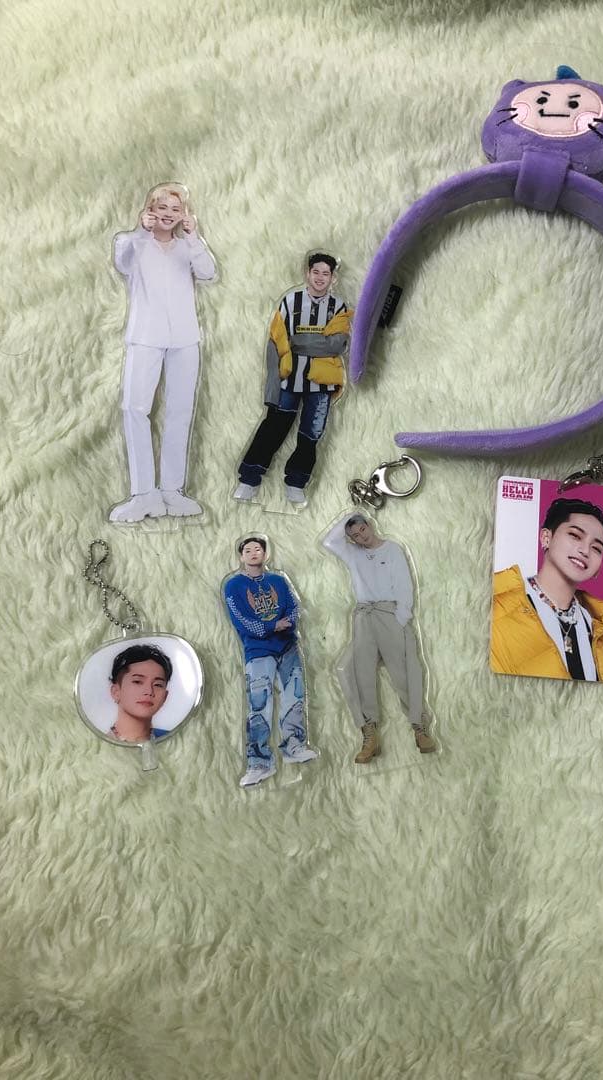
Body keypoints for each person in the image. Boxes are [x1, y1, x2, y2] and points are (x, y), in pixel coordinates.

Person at [110, 183, 217, 523]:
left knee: (180, 412)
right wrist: (141, 233)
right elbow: (124, 264)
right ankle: (143, 494)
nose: (169, 214)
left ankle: (172, 490)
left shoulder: (188, 247)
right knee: (134, 408)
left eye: (176, 209)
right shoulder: (131, 242)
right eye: (162, 207)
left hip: (185, 339)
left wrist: (194, 237)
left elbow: (208, 273)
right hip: (144, 337)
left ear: (184, 214)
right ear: (150, 210)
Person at [234, 252, 351, 505]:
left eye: (326, 273)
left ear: (333, 278)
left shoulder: (338, 307)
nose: (320, 277)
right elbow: (277, 341)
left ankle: (296, 482)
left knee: (311, 433)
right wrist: (272, 384)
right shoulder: (290, 301)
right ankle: (249, 478)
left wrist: (298, 342)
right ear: (307, 273)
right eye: (316, 272)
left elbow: (337, 345)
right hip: (289, 378)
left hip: (321, 383)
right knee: (273, 427)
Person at [322, 513, 436, 763]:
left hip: (390, 614)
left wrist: (401, 617)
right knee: (353, 670)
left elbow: (404, 584)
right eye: (354, 535)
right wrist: (350, 513)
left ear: (369, 525)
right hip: (363, 616)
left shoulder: (392, 549)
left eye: (362, 530)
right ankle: (369, 731)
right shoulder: (353, 554)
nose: (360, 537)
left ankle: (419, 726)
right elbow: (329, 542)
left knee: (404, 671)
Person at [223, 536, 317, 787]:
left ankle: (295, 746)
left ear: (265, 554)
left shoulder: (278, 581)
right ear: (241, 556)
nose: (253, 553)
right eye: (248, 550)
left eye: (258, 549)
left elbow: (293, 607)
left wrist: (288, 623)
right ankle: (259, 763)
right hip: (258, 651)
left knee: (294, 696)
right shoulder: (233, 585)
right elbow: (240, 619)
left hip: (287, 646)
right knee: (259, 704)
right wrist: (271, 626)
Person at [491, 498, 603, 682]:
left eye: (596, 548)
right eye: (575, 535)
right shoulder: (501, 604)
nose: (585, 551)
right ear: (546, 538)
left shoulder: (594, 624)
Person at [108, 644, 173, 742]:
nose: (149, 691)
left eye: (158, 685)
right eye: (137, 682)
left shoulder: (174, 741)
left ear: (165, 696)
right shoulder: (98, 746)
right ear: (116, 691)